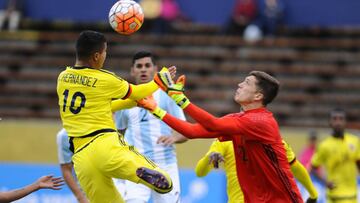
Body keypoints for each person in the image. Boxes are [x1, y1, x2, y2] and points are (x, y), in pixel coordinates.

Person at [138, 71, 303, 202]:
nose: (239, 84)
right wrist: (156, 109)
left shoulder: (261, 121)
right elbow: (192, 131)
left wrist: (179, 99)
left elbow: (214, 124)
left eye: (246, 83)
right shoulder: (237, 120)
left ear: (258, 96)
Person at [56, 30, 176, 203]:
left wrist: (133, 103)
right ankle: (144, 171)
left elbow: (103, 106)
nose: (105, 56)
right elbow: (138, 91)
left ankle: (140, 171)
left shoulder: (63, 78)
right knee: (141, 168)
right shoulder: (104, 79)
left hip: (81, 157)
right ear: (96, 56)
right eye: (105, 52)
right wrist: (159, 80)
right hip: (105, 143)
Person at [114, 51, 187, 203]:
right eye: (139, 66)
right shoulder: (124, 99)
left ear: (155, 69)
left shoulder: (167, 94)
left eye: (147, 65)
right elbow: (118, 132)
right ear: (132, 71)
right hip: (137, 165)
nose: (143, 69)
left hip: (165, 164)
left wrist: (174, 137)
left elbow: (186, 131)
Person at [195, 139, 318, 203]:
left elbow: (295, 167)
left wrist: (313, 194)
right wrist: (208, 158)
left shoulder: (276, 141)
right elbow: (200, 172)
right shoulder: (225, 140)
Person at [310, 108, 360, 203]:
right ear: (330, 122)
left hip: (352, 196)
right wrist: (325, 182)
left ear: (345, 122)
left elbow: (359, 163)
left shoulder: (354, 141)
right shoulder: (324, 145)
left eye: (341, 119)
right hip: (334, 197)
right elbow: (313, 168)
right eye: (335, 119)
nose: (338, 122)